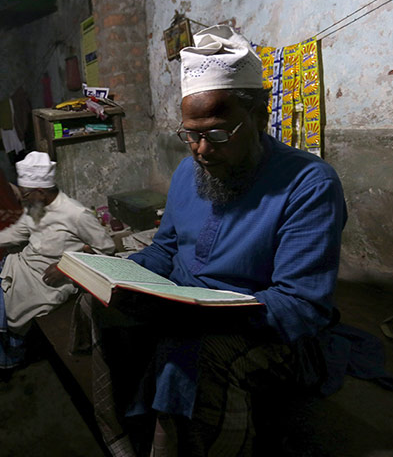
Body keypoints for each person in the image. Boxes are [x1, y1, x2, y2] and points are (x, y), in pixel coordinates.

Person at [88, 25, 347, 456]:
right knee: (98, 307)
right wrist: (123, 276)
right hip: (184, 307)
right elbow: (166, 249)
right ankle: (122, 437)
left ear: (261, 119)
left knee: (191, 353)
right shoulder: (189, 173)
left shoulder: (309, 184)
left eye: (218, 134)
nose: (202, 150)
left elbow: (301, 305)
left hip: (263, 331)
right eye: (190, 135)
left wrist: (201, 316)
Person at [0, 151, 115, 387]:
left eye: (25, 195)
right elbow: (18, 232)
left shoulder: (76, 214)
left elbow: (107, 249)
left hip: (49, 281)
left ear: (40, 191)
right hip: (24, 264)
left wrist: (67, 268)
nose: (22, 200)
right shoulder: (37, 207)